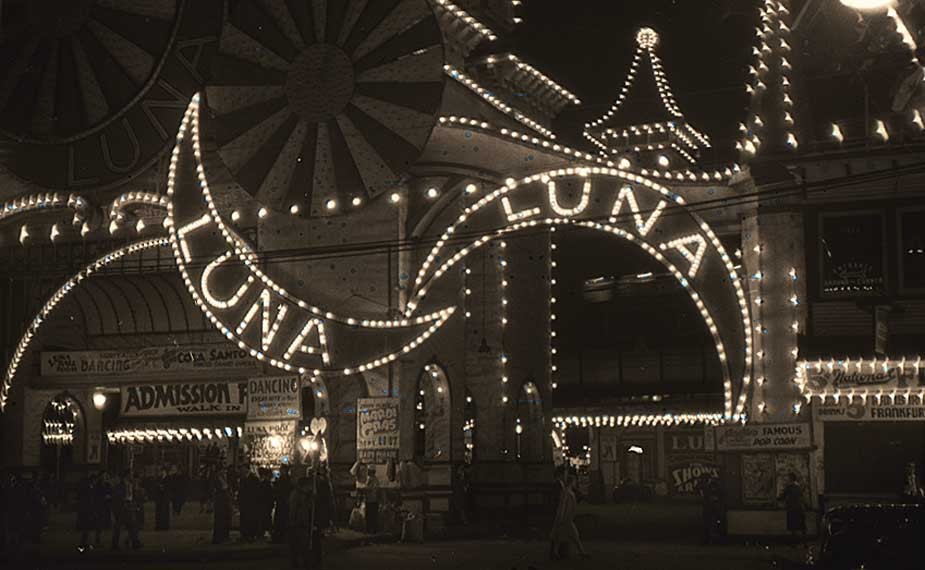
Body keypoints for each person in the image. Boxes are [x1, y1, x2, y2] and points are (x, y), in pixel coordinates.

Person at [549, 473, 589, 560]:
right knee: (573, 536)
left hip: (566, 518)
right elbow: (563, 505)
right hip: (566, 518)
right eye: (574, 482)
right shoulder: (566, 492)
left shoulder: (567, 492)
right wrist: (561, 516)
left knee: (561, 536)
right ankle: (581, 552)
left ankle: (556, 553)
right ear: (572, 482)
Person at [308, 466, 336, 569]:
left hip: (318, 515)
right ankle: (315, 558)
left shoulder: (322, 485)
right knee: (315, 536)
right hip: (316, 515)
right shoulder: (315, 485)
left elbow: (326, 501)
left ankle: (316, 559)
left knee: (316, 536)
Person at [111, 471, 141, 550]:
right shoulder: (120, 486)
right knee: (119, 526)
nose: (131, 477)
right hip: (122, 508)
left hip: (129, 507)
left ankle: (135, 543)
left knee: (132, 525)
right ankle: (115, 544)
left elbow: (132, 496)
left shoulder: (130, 485)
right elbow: (117, 497)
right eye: (129, 476)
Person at [288, 477, 313, 569]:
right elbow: (293, 510)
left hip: (302, 523)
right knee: (299, 546)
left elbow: (307, 507)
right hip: (298, 524)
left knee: (302, 546)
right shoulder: (296, 495)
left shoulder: (303, 495)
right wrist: (293, 522)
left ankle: (302, 563)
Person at [779, 473, 807, 542]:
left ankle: (794, 542)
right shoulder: (799, 486)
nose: (787, 479)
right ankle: (804, 542)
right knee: (802, 526)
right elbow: (802, 497)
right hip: (800, 508)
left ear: (791, 479)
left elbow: (782, 496)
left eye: (788, 478)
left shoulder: (789, 487)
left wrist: (779, 496)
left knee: (793, 527)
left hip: (792, 508)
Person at [77, 473, 99, 549]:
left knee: (87, 528)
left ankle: (84, 543)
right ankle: (83, 544)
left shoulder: (90, 487)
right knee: (87, 528)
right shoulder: (89, 488)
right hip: (88, 510)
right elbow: (89, 499)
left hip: (88, 509)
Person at [273, 465, 292, 543]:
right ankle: (279, 535)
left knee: (283, 519)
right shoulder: (281, 479)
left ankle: (282, 535)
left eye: (282, 470)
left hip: (284, 502)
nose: (281, 471)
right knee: (279, 519)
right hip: (280, 502)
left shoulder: (287, 480)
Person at [212, 473, 232, 544]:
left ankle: (224, 537)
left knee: (225, 520)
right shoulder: (217, 479)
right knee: (220, 521)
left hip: (224, 503)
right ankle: (220, 538)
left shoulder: (224, 479)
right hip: (221, 503)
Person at [364, 467, 380, 534]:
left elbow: (370, 488)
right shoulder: (374, 479)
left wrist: (366, 489)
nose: (367, 472)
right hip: (372, 500)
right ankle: (371, 529)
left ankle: (371, 529)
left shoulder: (372, 479)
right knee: (372, 515)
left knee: (370, 516)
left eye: (369, 471)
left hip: (371, 500)